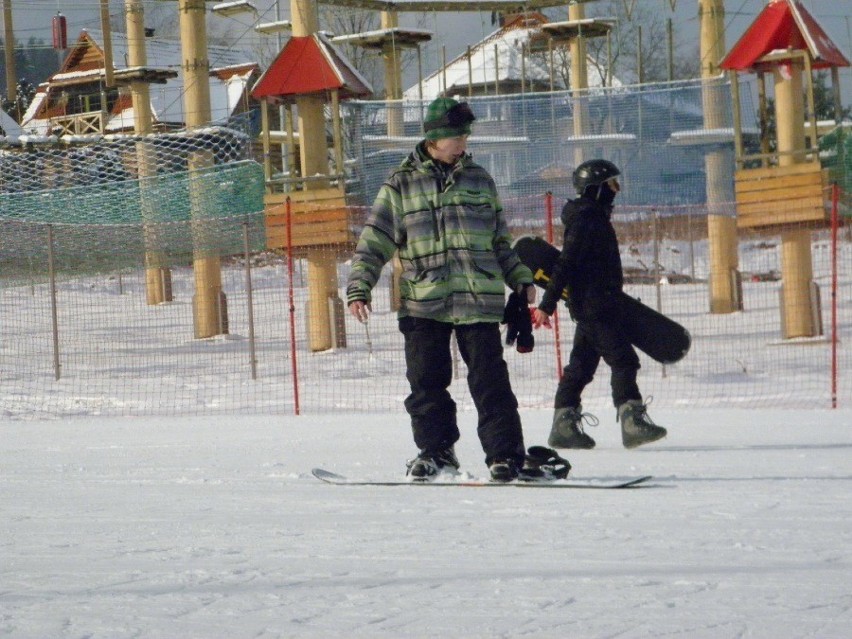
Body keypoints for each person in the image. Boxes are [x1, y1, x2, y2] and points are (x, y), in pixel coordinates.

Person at [347, 97, 537, 482]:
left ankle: (505, 456)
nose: (464, 142)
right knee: (426, 383)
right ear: (435, 137)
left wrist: (519, 277)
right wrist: (359, 287)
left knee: (490, 382)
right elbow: (375, 241)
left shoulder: (480, 180)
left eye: (466, 134)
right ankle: (436, 453)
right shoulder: (400, 185)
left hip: (478, 299)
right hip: (423, 301)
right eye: (457, 135)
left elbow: (500, 240)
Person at [532, 159, 667, 449]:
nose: (616, 191)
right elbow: (565, 264)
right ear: (595, 189)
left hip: (597, 304)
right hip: (595, 307)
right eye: (612, 185)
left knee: (580, 366)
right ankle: (632, 423)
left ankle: (563, 426)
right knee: (624, 360)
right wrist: (547, 304)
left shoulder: (592, 216)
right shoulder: (586, 219)